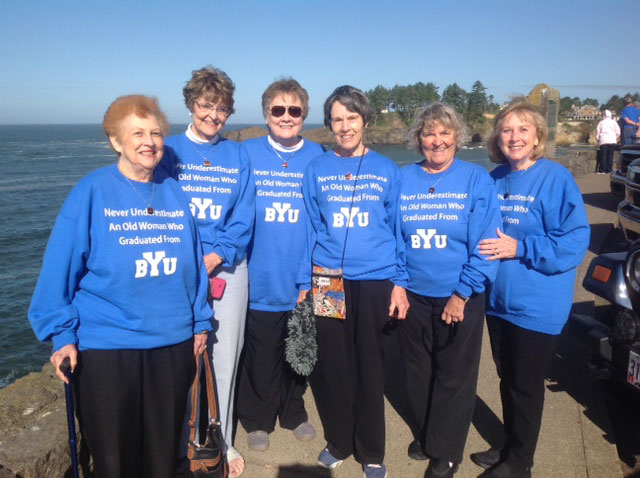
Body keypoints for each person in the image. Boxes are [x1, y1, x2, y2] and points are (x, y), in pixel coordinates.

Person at [28, 95, 212, 478]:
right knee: (113, 460)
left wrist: (199, 321)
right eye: (138, 133)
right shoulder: (91, 191)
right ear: (116, 141)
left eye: (156, 133)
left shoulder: (174, 192)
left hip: (172, 344)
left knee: (163, 457)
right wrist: (61, 334)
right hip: (107, 349)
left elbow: (193, 262)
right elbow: (59, 268)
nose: (150, 141)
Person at [473, 97, 590, 478]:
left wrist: (519, 247)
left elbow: (574, 240)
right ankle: (511, 445)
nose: (514, 136)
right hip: (498, 302)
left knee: (525, 386)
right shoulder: (493, 179)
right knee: (508, 378)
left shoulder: (555, 178)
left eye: (523, 129)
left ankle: (521, 463)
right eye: (506, 129)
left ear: (537, 135)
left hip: (537, 304)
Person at [297, 85, 409, 478]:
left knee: (370, 366)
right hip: (328, 279)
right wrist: (305, 280)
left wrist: (400, 282)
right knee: (334, 367)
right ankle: (340, 440)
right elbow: (310, 228)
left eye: (351, 118)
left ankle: (372, 450)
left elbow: (399, 230)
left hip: (376, 281)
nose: (344, 127)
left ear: (365, 121)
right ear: (329, 124)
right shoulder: (316, 169)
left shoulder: (385, 169)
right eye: (337, 120)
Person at [396, 104, 501, 478]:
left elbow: (488, 243)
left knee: (454, 377)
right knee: (417, 371)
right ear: (418, 139)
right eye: (428, 134)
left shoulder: (476, 180)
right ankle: (427, 434)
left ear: (456, 136)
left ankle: (446, 452)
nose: (436, 141)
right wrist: (398, 283)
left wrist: (463, 292)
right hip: (413, 294)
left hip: (459, 296)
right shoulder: (403, 179)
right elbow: (394, 238)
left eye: (444, 133)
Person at [161, 66, 255, 478]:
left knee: (224, 357)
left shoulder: (238, 155)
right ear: (191, 104)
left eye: (221, 108)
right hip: (175, 271)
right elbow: (155, 208)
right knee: (177, 356)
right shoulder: (167, 151)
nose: (213, 115)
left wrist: (215, 255)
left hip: (227, 270)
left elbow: (243, 217)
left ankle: (222, 439)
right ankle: (179, 440)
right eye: (205, 105)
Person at [236, 78, 322, 451]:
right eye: (278, 110)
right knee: (261, 349)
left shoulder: (319, 156)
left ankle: (293, 411)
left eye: (294, 110)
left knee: (298, 346)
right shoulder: (246, 153)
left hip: (303, 271)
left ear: (303, 114)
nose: (286, 117)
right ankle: (257, 418)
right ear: (266, 114)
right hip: (260, 271)